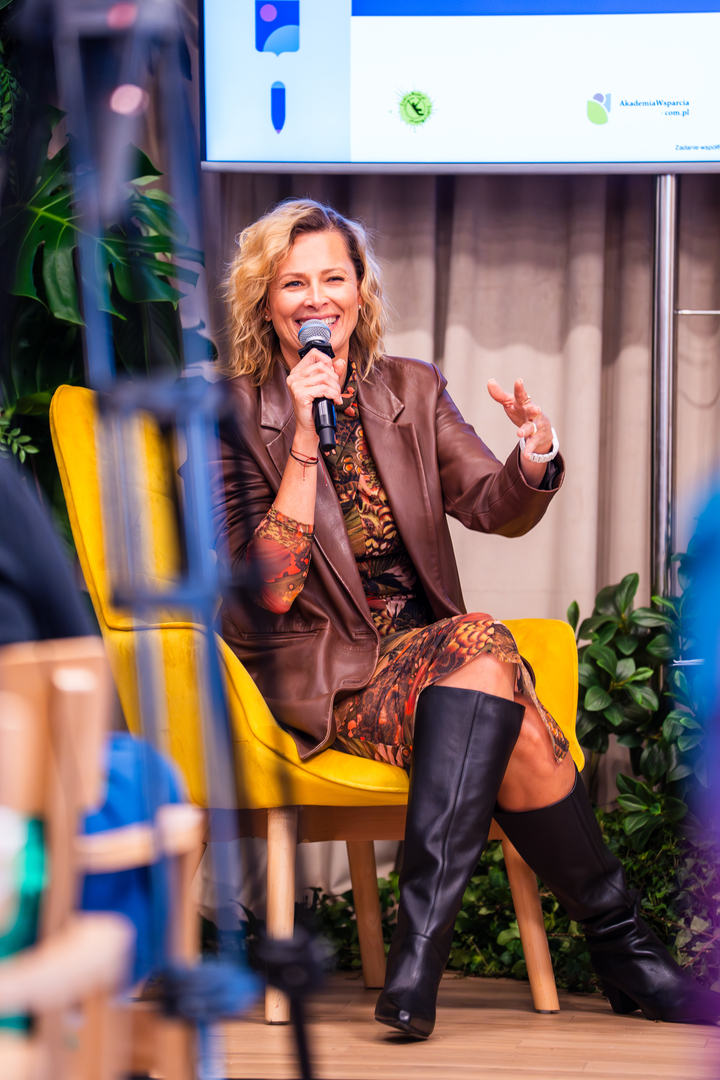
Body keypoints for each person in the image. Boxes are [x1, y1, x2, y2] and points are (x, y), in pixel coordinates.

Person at [215, 198, 720, 1037]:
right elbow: (268, 589)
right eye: (293, 283)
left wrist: (533, 455)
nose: (316, 299)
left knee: (484, 669)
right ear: (265, 303)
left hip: (429, 660)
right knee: (488, 661)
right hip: (319, 673)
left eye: (334, 278)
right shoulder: (232, 414)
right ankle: (624, 950)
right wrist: (303, 440)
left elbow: (492, 503)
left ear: (361, 292)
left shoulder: (411, 389)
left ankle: (428, 965)